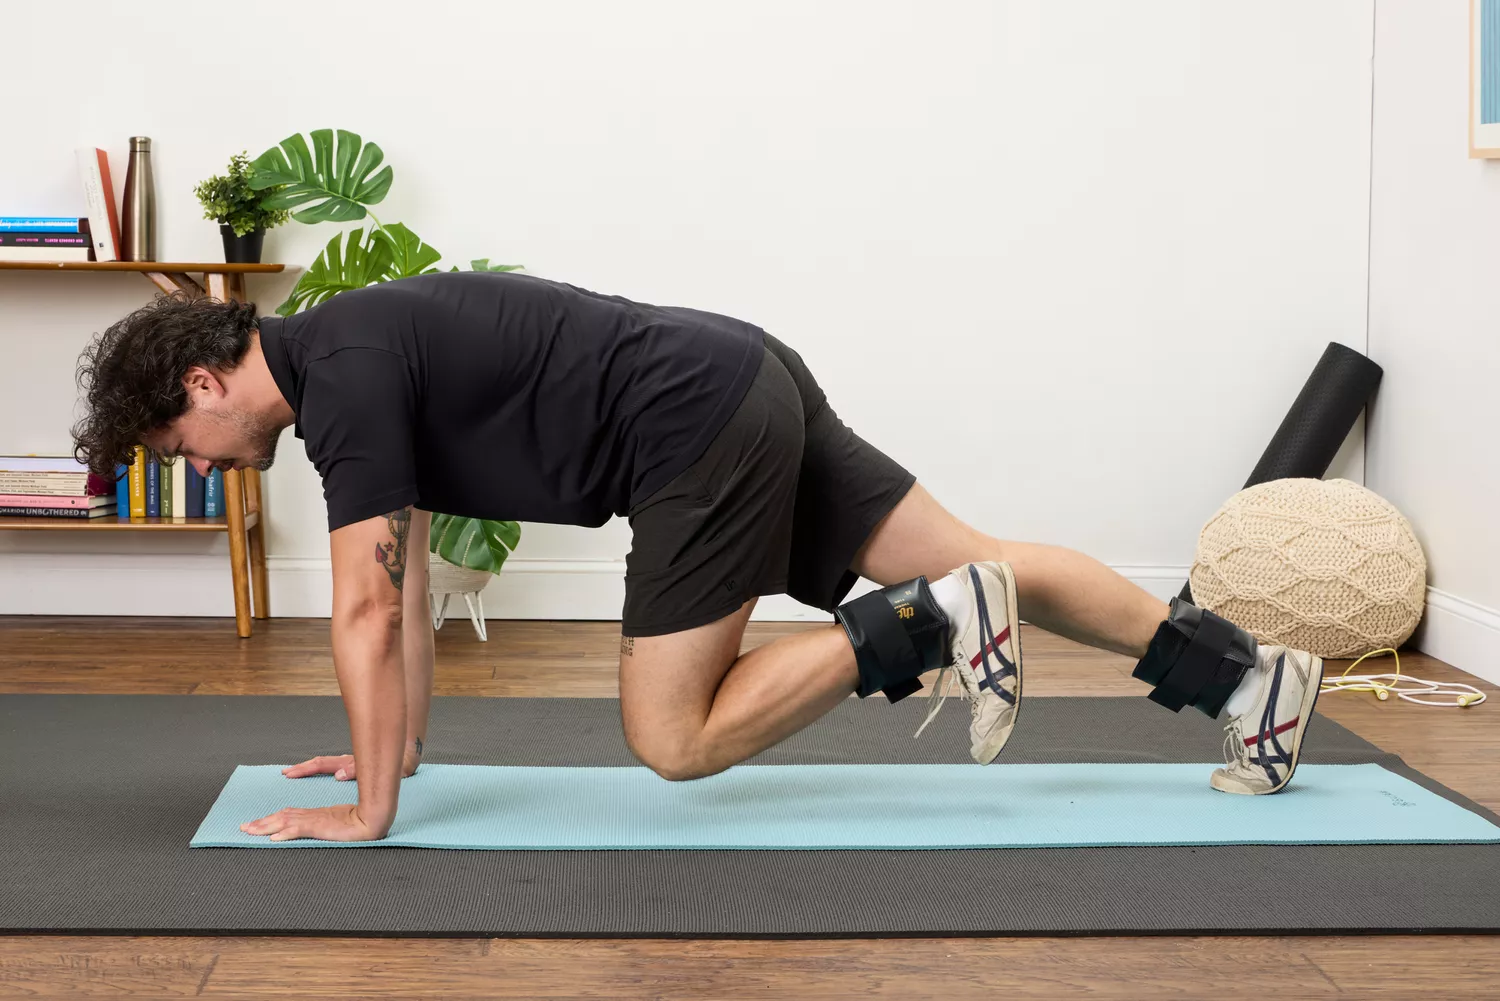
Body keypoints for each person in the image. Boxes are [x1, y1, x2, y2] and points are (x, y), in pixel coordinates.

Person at [71, 271, 1324, 843]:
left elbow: (354, 605)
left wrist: (370, 813)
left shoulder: (334, 380)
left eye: (176, 439)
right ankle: (1250, 680)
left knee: (673, 737)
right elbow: (401, 606)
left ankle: (933, 619)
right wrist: (392, 750)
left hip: (691, 425)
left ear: (199, 379)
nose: (196, 462)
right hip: (739, 370)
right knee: (995, 556)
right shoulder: (346, 352)